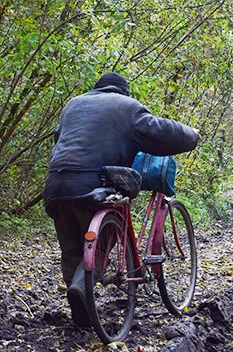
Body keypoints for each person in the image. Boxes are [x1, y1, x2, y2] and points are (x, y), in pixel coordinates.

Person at [44, 72, 199, 327]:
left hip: (56, 184)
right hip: (93, 184)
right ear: (124, 91)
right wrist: (191, 135)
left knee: (72, 248)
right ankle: (82, 289)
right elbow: (159, 131)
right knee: (104, 240)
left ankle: (81, 311)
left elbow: (60, 137)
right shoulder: (127, 107)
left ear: (98, 89)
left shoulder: (73, 104)